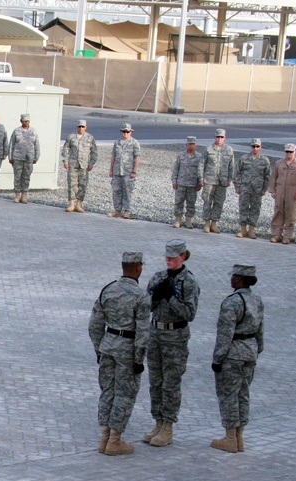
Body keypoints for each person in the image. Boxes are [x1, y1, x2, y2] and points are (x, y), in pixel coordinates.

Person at [88, 251, 150, 455]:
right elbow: (142, 330)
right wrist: (139, 358)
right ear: (138, 268)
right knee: (125, 394)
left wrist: (99, 347)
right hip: (128, 349)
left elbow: (95, 324)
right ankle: (115, 440)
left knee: (108, 391)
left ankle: (104, 437)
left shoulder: (108, 290)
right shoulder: (141, 296)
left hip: (108, 346)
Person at [143, 240, 199, 448]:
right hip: (156, 333)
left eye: (173, 257)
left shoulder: (189, 282)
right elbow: (144, 306)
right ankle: (158, 422)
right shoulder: (159, 276)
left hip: (175, 337)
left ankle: (168, 425)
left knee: (171, 383)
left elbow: (190, 314)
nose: (169, 260)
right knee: (156, 381)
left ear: (183, 257)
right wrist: (156, 296)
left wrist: (172, 298)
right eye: (167, 256)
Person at [210, 264, 264, 453]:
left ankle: (230, 437)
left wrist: (217, 359)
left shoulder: (232, 302)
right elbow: (260, 331)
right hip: (250, 351)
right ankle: (240, 437)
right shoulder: (256, 300)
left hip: (233, 354)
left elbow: (225, 334)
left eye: (233, 276)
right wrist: (257, 350)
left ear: (240, 279)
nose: (231, 279)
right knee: (243, 394)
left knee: (228, 395)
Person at [268, 143, 296, 244]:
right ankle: (276, 234)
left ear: (295, 152)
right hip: (280, 190)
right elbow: (273, 177)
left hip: (292, 192)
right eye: (287, 152)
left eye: (291, 152)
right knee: (278, 212)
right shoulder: (279, 163)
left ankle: (287, 236)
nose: (288, 153)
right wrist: (272, 190)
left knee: (290, 214)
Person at [234, 138, 270, 239]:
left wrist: (264, 189)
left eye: (257, 146)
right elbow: (237, 173)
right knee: (243, 207)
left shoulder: (264, 160)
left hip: (257, 189)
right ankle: (243, 229)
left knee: (255, 209)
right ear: (251, 147)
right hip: (245, 187)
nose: (255, 148)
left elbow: (267, 176)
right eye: (253, 146)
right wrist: (237, 186)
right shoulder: (244, 158)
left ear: (260, 147)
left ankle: (251, 230)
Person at [200, 129, 235, 233]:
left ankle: (214, 223)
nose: (219, 139)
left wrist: (229, 179)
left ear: (225, 138)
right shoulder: (208, 149)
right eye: (218, 137)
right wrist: (201, 178)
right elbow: (202, 164)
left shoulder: (228, 150)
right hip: (209, 180)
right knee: (207, 201)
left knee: (219, 203)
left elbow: (231, 166)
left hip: (222, 181)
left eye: (221, 137)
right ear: (215, 137)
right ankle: (206, 223)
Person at [60, 119, 97, 213]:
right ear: (77, 127)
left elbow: (94, 152)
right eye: (79, 126)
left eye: (83, 127)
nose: (81, 128)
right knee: (72, 184)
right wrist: (65, 161)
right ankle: (71, 204)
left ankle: (79, 204)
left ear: (86, 127)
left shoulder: (90, 138)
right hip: (73, 164)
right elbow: (65, 149)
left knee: (82, 185)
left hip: (84, 165)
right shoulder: (71, 137)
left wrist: (91, 163)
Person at [108, 123, 140, 219]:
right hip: (117, 171)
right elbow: (113, 156)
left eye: (127, 132)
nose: (125, 134)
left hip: (128, 171)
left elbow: (137, 157)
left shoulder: (134, 143)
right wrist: (111, 169)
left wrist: (134, 171)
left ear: (131, 132)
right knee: (116, 191)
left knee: (127, 191)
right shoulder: (117, 142)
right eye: (124, 132)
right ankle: (117, 210)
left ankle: (126, 211)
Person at [170, 136, 203, 229]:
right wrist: (174, 180)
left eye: (193, 144)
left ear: (196, 145)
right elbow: (176, 169)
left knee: (191, 203)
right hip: (181, 183)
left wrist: (199, 183)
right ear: (186, 145)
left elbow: (200, 171)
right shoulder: (181, 155)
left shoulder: (199, 157)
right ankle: (178, 220)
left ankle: (188, 220)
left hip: (192, 185)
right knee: (178, 202)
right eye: (189, 144)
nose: (191, 146)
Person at [8, 113, 39, 204]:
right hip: (17, 157)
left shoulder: (33, 131)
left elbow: (37, 145)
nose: (26, 123)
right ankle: (17, 194)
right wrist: (10, 157)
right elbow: (11, 145)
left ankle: (24, 195)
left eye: (27, 121)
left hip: (29, 158)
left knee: (26, 177)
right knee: (17, 177)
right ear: (21, 121)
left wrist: (36, 157)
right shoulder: (16, 131)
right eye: (24, 121)